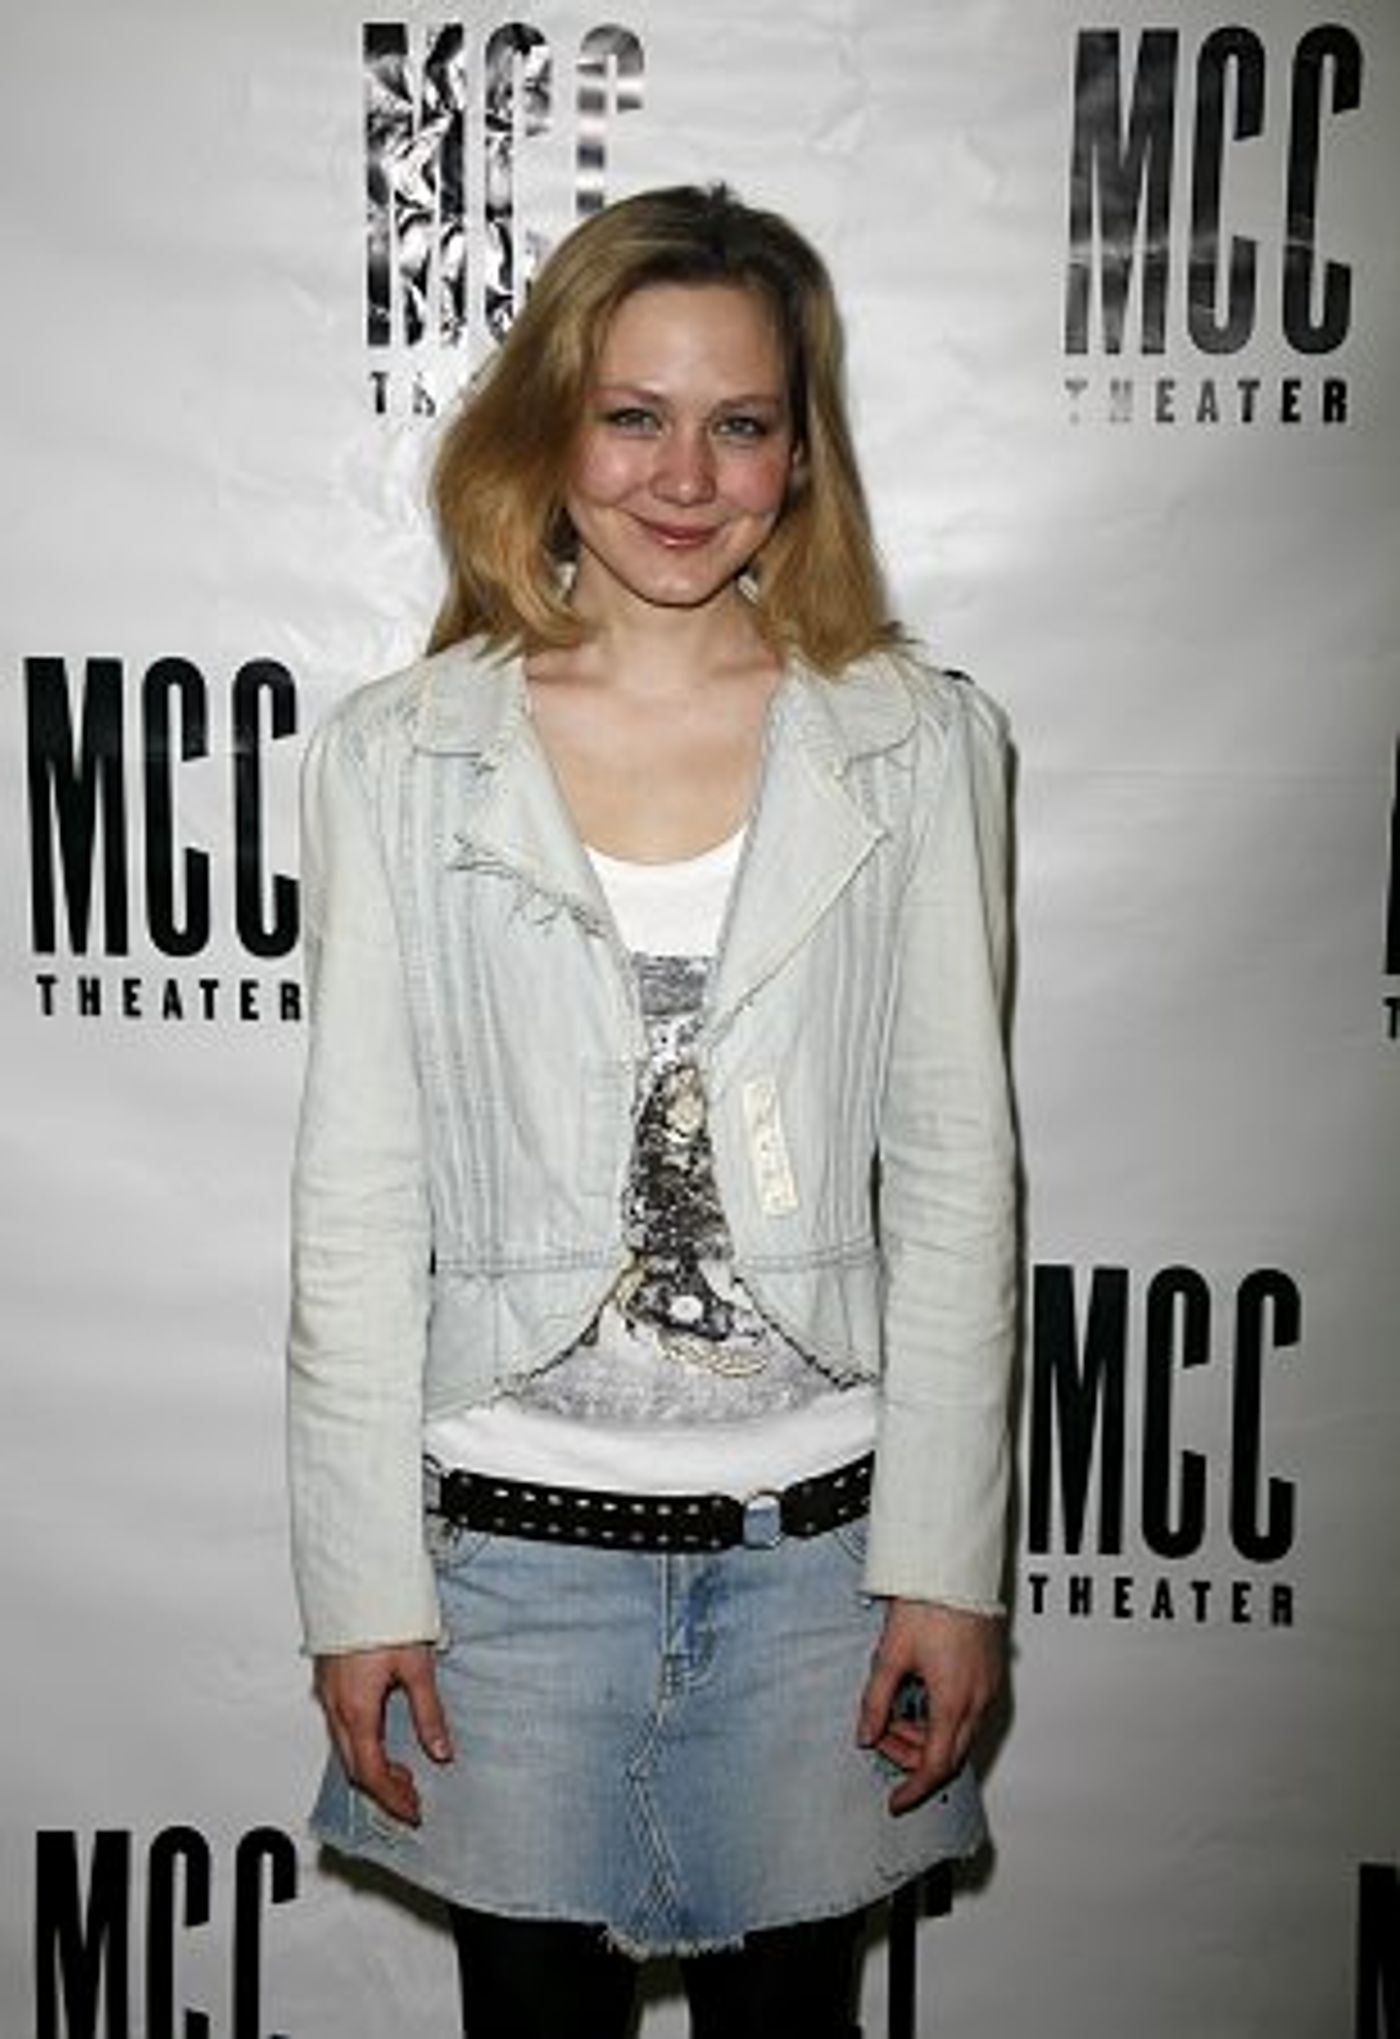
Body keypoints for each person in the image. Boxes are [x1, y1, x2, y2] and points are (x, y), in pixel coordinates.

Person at [288, 183, 1017, 2039]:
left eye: (741, 422)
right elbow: (359, 1205)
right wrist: (361, 1587)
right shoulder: (401, 757)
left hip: (825, 1571)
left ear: (801, 453)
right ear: (553, 427)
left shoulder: (919, 744)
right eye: (634, 415)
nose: (686, 477)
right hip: (505, 1575)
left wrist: (945, 1568)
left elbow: (956, 1181)